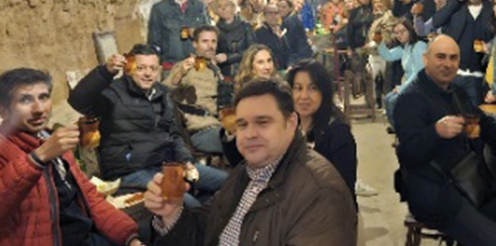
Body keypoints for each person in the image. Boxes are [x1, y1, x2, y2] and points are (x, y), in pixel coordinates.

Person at [138, 79, 358, 246]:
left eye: (262, 122)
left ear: (291, 123)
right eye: (242, 125)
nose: (250, 134)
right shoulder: (246, 172)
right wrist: (171, 214)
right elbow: (206, 231)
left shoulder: (320, 192)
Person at [0, 69, 141, 246]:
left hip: (86, 237)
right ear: (3, 111)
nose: (38, 109)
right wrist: (38, 158)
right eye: (25, 100)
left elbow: (89, 196)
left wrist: (129, 237)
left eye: (43, 97)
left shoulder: (47, 136)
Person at [393, 35, 496, 246]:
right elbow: (408, 153)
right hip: (436, 193)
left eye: (453, 58)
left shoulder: (456, 92)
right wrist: (435, 132)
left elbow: (483, 122)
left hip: (469, 181)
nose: (447, 64)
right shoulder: (410, 99)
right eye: (440, 57)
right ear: (425, 58)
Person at [67, 45, 227, 207]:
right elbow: (77, 100)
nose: (148, 73)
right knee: (188, 204)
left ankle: (196, 223)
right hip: (131, 172)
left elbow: (173, 134)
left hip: (167, 166)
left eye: (152, 68)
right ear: (129, 68)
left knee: (228, 183)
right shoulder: (113, 92)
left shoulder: (162, 94)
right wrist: (105, 72)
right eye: (141, 68)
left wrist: (186, 161)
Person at [224, 60, 362, 199]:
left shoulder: (338, 134)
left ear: (324, 92)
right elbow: (245, 164)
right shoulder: (284, 124)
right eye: (298, 88)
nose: (304, 96)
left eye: (312, 88)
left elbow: (342, 190)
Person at [430, 0, 493, 107]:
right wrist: (454, 1)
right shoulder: (456, 7)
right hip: (454, 74)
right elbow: (436, 22)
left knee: (473, 121)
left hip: (478, 77)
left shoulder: (492, 10)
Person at [162, 26, 228, 154]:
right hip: (202, 130)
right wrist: (180, 73)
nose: (210, 46)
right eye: (205, 41)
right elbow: (164, 90)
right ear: (195, 44)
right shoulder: (186, 66)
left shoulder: (214, 68)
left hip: (221, 126)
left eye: (213, 41)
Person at [148, 0, 211, 65]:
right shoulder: (159, 9)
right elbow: (154, 42)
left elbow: (209, 35)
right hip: (170, 66)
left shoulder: (199, 6)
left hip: (197, 65)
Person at [378, 19, 428, 127]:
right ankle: (398, 129)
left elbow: (419, 72)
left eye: (402, 31)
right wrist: (380, 43)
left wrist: (402, 88)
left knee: (393, 102)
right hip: (408, 84)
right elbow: (388, 56)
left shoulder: (419, 46)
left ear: (410, 30)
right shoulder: (405, 47)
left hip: (419, 85)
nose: (399, 35)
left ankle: (401, 130)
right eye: (396, 33)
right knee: (387, 99)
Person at [210, 0, 254, 78]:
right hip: (224, 73)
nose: (223, 9)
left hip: (245, 72)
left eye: (226, 5)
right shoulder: (215, 30)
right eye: (219, 6)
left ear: (233, 7)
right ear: (216, 11)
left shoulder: (246, 27)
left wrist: (228, 57)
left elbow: (253, 50)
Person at [255, 4, 294, 70]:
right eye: (270, 13)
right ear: (264, 15)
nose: (273, 16)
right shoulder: (258, 33)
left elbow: (288, 52)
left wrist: (289, 65)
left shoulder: (282, 31)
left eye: (276, 13)